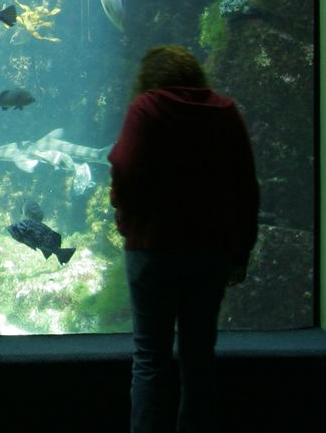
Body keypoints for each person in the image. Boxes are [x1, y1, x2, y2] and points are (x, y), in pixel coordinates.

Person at [109, 45, 259, 433]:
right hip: (211, 251)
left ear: (150, 78)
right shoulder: (224, 111)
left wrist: (126, 219)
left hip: (151, 249)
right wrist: (241, 250)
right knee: (199, 357)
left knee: (150, 358)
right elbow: (246, 187)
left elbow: (124, 166)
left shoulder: (145, 108)